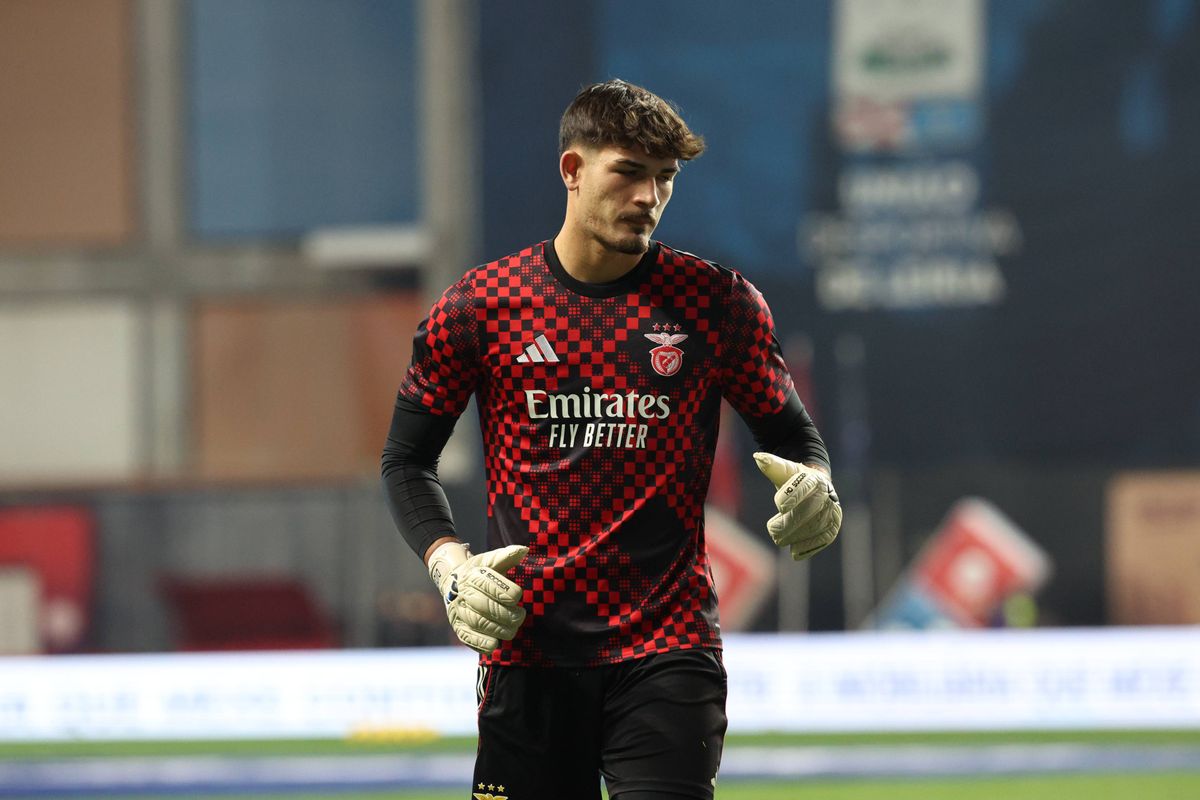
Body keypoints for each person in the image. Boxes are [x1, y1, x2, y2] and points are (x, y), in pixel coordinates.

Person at [382, 79, 842, 800]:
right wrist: (449, 565)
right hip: (526, 650)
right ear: (573, 169)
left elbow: (793, 434)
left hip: (668, 649)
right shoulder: (479, 308)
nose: (649, 197)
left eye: (665, 179)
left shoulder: (717, 305)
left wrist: (816, 480)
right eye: (629, 172)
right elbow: (407, 461)